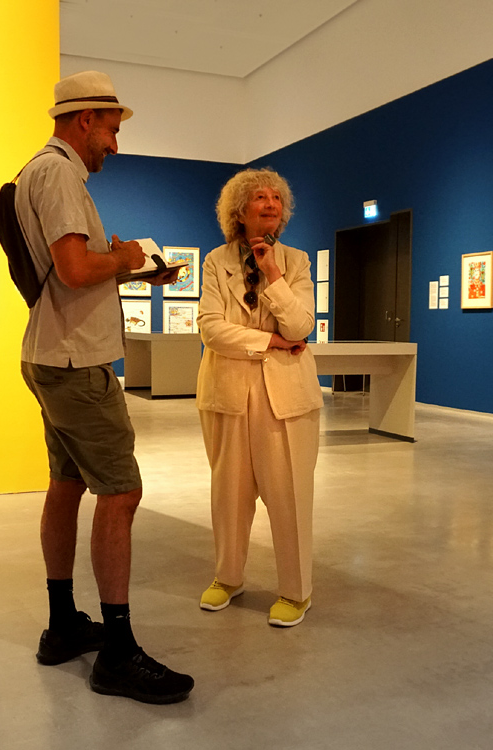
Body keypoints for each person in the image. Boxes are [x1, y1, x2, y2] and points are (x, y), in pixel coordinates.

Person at [15, 70, 192, 704]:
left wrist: (130, 269)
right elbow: (74, 267)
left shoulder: (44, 171)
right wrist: (125, 258)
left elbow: (70, 275)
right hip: (76, 363)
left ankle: (63, 624)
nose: (115, 144)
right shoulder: (60, 172)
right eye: (113, 130)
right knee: (121, 492)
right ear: (85, 118)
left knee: (67, 485)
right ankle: (116, 651)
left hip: (52, 353)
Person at [196, 168, 322, 627]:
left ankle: (296, 590)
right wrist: (267, 342)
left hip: (286, 397)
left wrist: (272, 274)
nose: (270, 205)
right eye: (259, 198)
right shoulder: (215, 261)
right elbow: (210, 328)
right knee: (228, 493)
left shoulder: (297, 262)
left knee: (289, 495)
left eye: (277, 199)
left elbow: (300, 327)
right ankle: (228, 576)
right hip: (229, 393)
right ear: (239, 210)